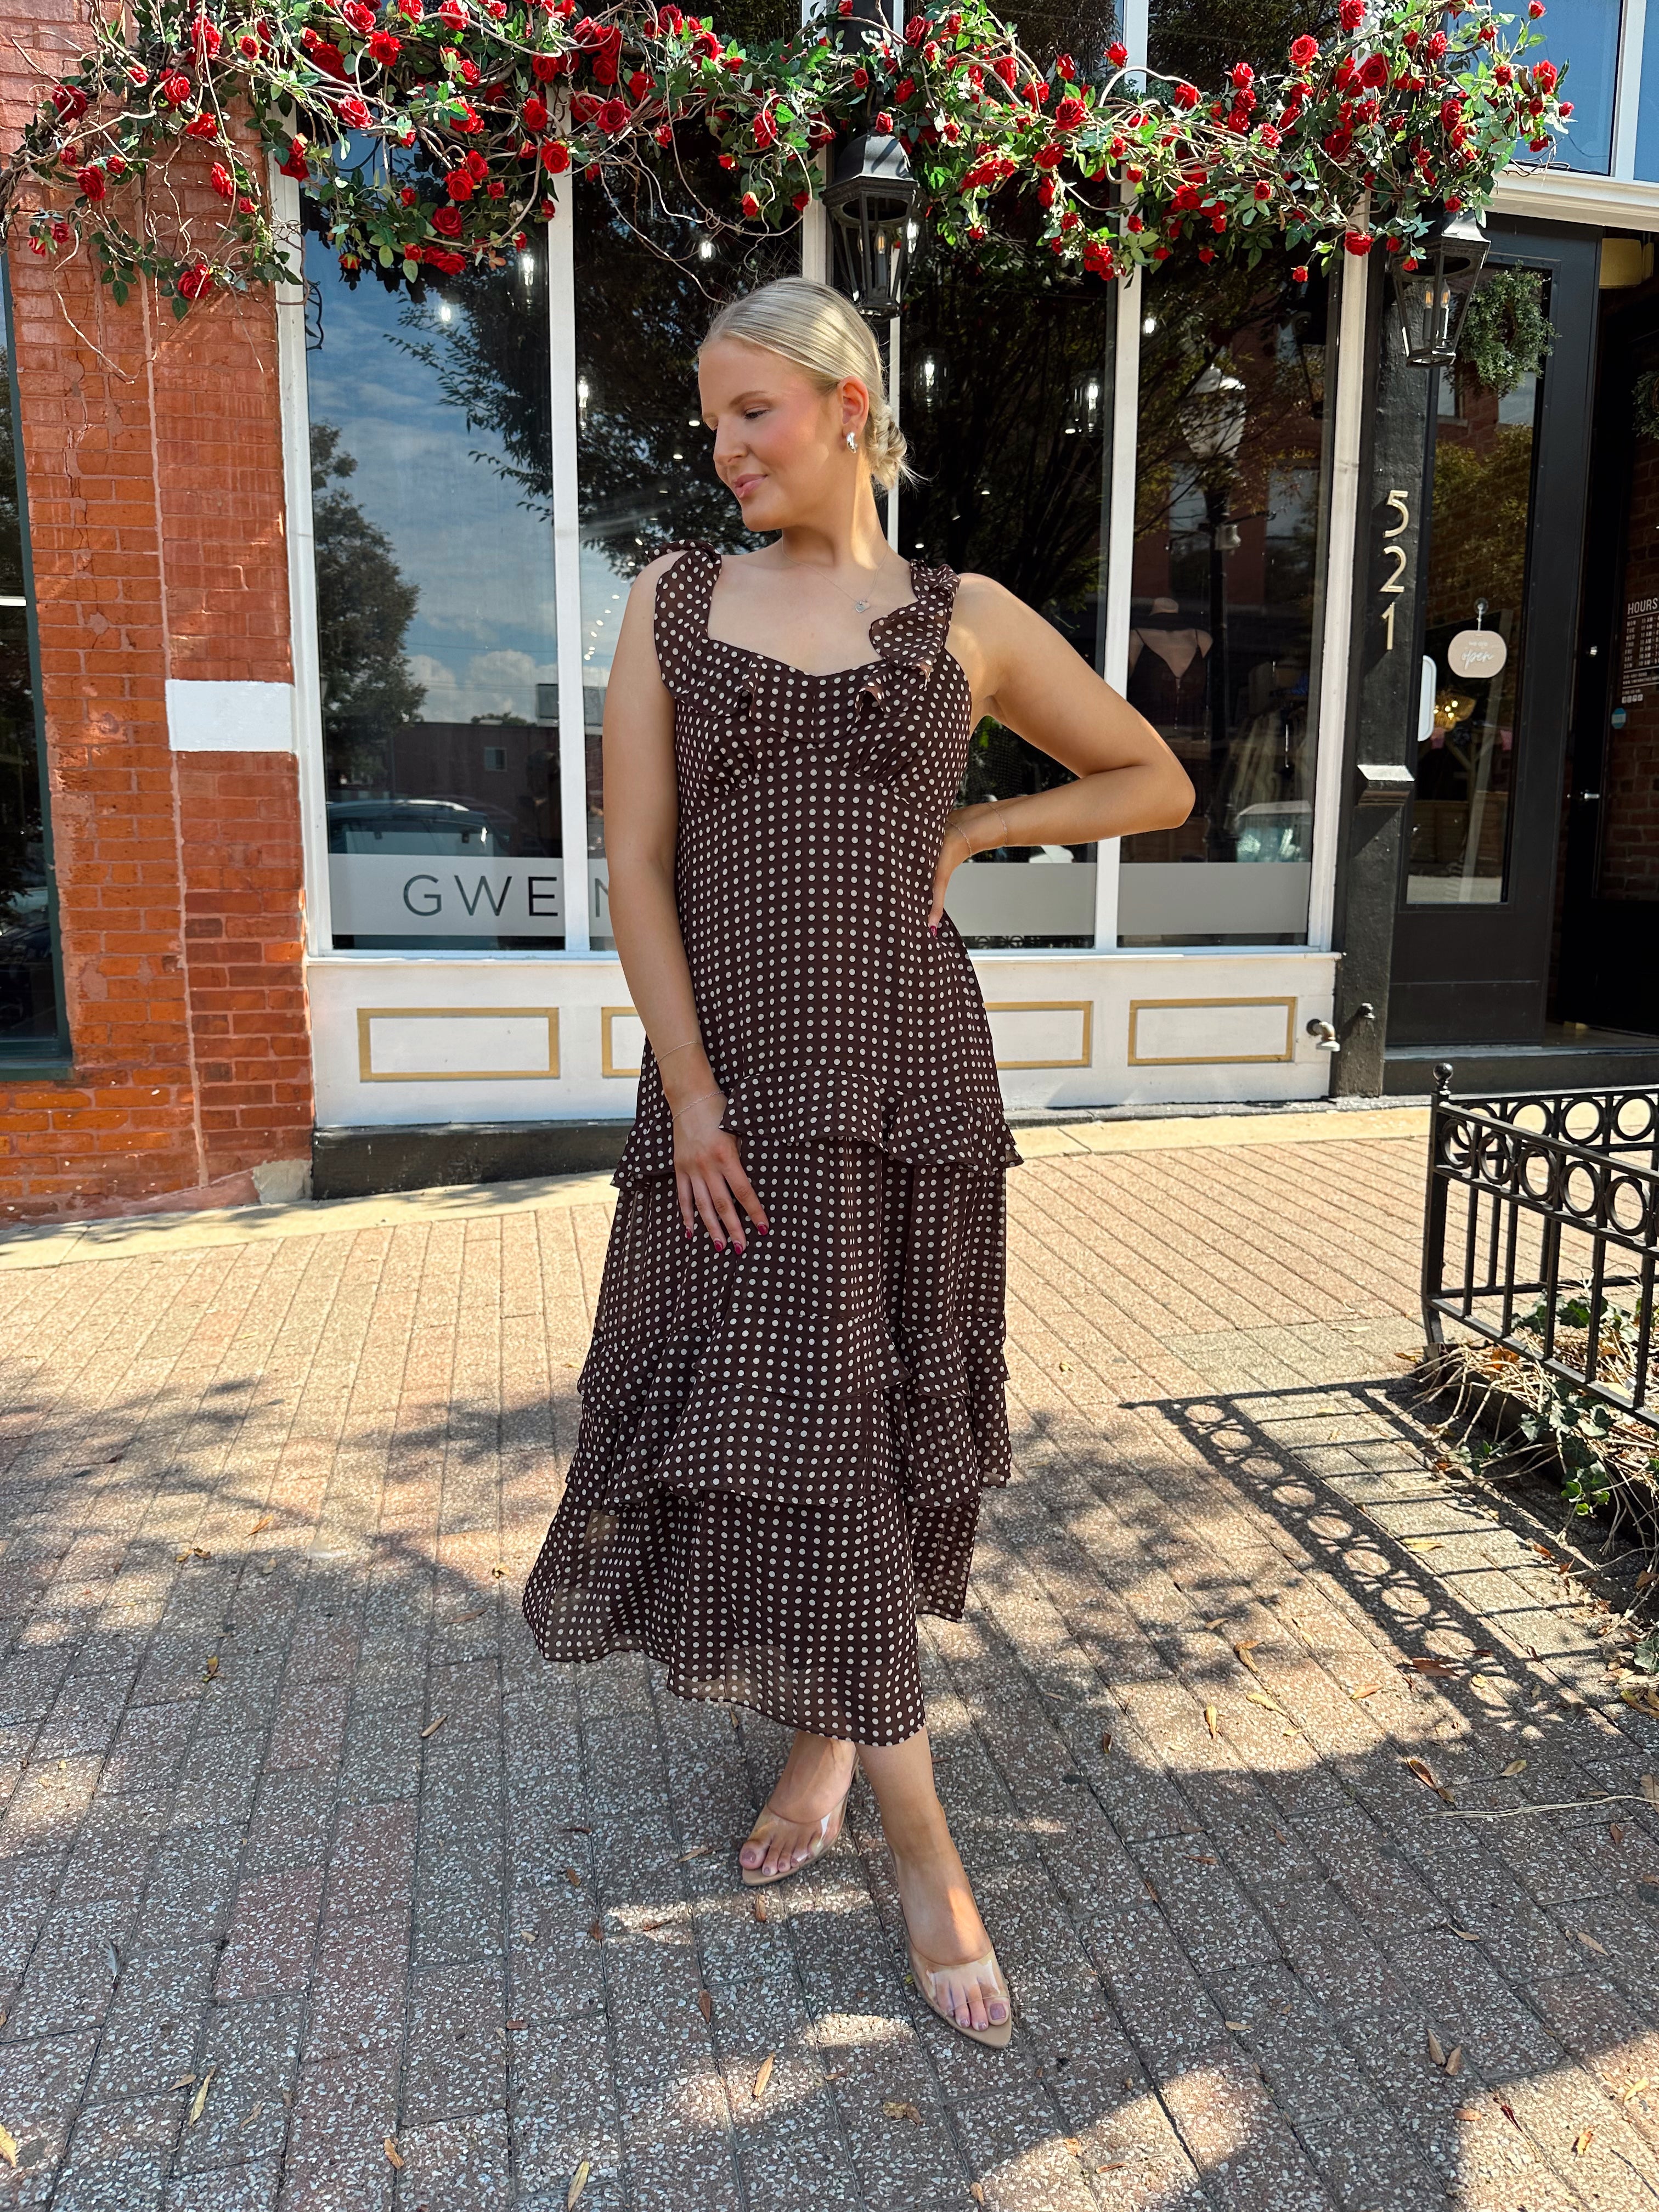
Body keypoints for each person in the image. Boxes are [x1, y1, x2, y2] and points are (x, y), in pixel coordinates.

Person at [522, 275, 1193, 2047]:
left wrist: (981, 814)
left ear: (846, 405)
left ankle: (829, 1741)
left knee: (876, 1420)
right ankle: (925, 1847)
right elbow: (641, 870)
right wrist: (687, 1097)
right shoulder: (671, 607)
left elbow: (1152, 779)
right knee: (800, 1416)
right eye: (707, 416)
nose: (720, 445)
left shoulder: (960, 617)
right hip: (741, 1100)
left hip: (913, 1084)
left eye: (751, 411)